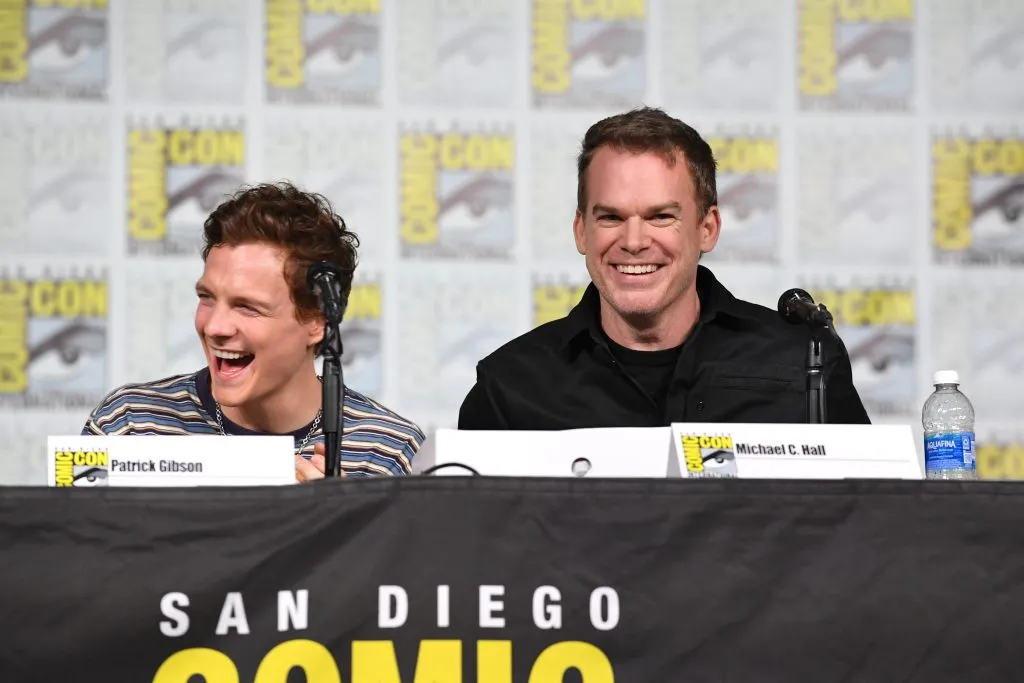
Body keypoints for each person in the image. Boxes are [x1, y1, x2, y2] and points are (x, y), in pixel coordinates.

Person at [458, 107, 870, 429]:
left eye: (660, 217)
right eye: (611, 218)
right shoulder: (510, 386)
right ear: (581, 231)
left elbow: (866, 525)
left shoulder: (805, 362)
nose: (634, 242)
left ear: (707, 228)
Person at [83, 182, 425, 480]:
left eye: (247, 307)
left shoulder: (388, 454)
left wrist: (336, 528)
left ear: (317, 321)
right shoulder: (127, 425)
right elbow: (66, 551)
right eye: (207, 297)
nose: (214, 327)